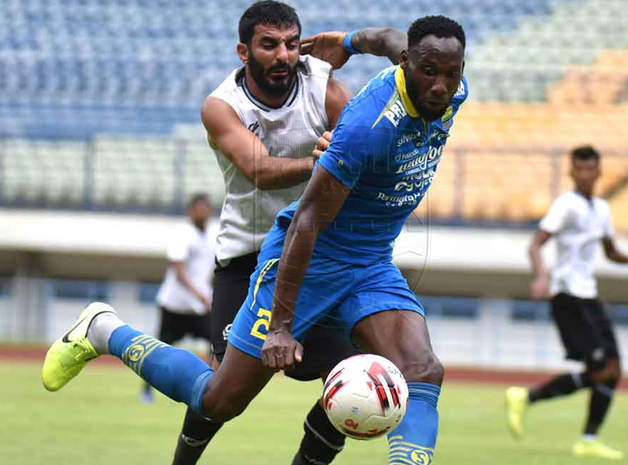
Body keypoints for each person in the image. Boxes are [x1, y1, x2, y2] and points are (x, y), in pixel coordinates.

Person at [42, 14, 467, 465]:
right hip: (306, 258)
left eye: (451, 73)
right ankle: (105, 330)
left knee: (422, 371)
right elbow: (305, 223)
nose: (440, 85)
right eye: (429, 71)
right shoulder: (365, 127)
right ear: (406, 65)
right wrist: (281, 327)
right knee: (219, 399)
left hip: (370, 263)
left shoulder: (449, 87)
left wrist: (346, 41)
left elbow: (387, 37)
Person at [505, 145, 628, 460]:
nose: (584, 174)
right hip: (567, 296)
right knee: (601, 370)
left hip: (589, 295)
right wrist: (541, 277)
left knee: (612, 369)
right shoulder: (566, 206)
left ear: (598, 172)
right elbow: (536, 244)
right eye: (578, 169)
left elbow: (610, 251)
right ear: (571, 172)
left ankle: (588, 438)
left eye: (590, 169)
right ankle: (526, 398)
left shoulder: (601, 209)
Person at [141, 193, 216, 403]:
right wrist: (199, 293)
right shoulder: (182, 234)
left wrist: (208, 291)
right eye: (198, 207)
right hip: (174, 304)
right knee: (159, 350)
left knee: (217, 343)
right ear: (190, 210)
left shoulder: (213, 235)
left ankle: (210, 389)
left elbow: (210, 269)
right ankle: (146, 390)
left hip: (199, 307)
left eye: (206, 207)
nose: (203, 211)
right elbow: (179, 271)